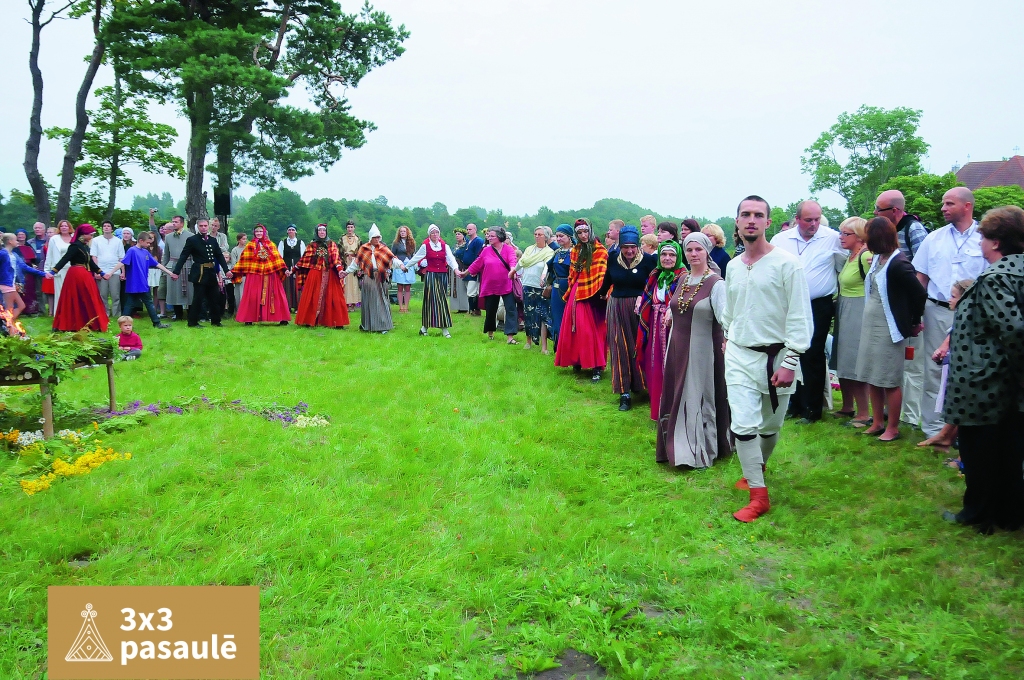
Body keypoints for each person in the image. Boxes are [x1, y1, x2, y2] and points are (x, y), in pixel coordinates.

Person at [722, 196, 812, 523]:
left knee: (770, 426)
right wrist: (729, 336)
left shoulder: (787, 264)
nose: (751, 220)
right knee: (743, 424)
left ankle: (756, 467)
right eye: (745, 214)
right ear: (737, 221)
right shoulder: (733, 266)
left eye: (758, 215)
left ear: (767, 223)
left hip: (779, 357)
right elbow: (729, 311)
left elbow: (801, 316)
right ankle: (759, 495)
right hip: (740, 355)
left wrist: (790, 362)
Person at [941, 205, 1024, 534]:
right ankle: (1009, 514)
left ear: (997, 242)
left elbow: (1014, 329)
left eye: (983, 238)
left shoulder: (996, 277)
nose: (979, 244)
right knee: (1008, 449)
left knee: (980, 451)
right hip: (1005, 384)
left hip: (986, 381)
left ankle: (977, 513)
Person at [912, 187, 988, 439]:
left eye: (949, 203)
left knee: (971, 369)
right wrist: (916, 312)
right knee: (935, 369)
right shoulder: (934, 238)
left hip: (976, 314)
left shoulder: (985, 238)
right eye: (943, 203)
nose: (943, 208)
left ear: (967, 206)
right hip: (938, 309)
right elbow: (920, 276)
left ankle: (964, 430)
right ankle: (933, 428)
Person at [657, 233, 730, 467]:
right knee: (677, 393)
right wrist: (671, 312)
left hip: (703, 349)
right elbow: (677, 304)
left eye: (698, 249)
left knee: (698, 395)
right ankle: (677, 445)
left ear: (707, 251)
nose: (693, 254)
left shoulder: (716, 283)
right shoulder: (683, 279)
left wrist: (728, 341)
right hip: (677, 346)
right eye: (689, 250)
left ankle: (698, 449)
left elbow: (726, 318)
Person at [854, 217, 927, 442]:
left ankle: (893, 427)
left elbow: (919, 294)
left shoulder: (899, 263)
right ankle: (877, 422)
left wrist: (913, 322)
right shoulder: (878, 259)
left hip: (888, 328)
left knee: (889, 379)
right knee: (873, 376)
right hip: (871, 325)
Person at [769, 200, 842, 424]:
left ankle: (813, 408)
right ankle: (794, 404)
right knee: (789, 351)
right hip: (787, 303)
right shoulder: (781, 240)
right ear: (797, 219)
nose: (813, 224)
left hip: (818, 303)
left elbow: (843, 266)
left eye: (817, 219)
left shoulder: (832, 238)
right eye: (808, 220)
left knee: (813, 353)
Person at [874, 189, 928, 427]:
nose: (875, 213)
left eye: (879, 209)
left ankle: (910, 415)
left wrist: (914, 313)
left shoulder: (912, 229)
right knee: (893, 365)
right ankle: (892, 411)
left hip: (908, 307)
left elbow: (923, 266)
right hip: (892, 308)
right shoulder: (888, 235)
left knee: (912, 365)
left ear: (895, 210)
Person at [601, 224, 656, 410]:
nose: (629, 251)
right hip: (616, 306)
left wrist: (644, 296)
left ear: (638, 246)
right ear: (621, 247)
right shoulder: (613, 258)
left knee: (641, 345)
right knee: (619, 347)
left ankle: (645, 386)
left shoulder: (648, 260)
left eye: (633, 247)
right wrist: (600, 295)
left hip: (642, 308)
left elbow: (653, 283)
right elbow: (607, 279)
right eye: (626, 247)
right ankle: (624, 392)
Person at [917, 278, 972, 454]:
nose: (949, 300)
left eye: (953, 297)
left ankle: (955, 446)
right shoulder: (961, 317)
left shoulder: (971, 319)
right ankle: (945, 436)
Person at [554, 218, 608, 381]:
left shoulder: (601, 250)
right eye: (580, 233)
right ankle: (577, 360)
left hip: (594, 293)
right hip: (577, 292)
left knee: (591, 330)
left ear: (590, 231)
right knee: (574, 328)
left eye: (586, 232)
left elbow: (601, 275)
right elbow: (573, 273)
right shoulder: (575, 250)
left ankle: (597, 365)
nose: (583, 235)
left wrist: (598, 292)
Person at [830, 217, 872, 426]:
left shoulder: (866, 256)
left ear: (859, 236)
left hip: (858, 309)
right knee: (843, 358)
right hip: (845, 307)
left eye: (845, 234)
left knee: (855, 360)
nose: (841, 237)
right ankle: (848, 406)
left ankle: (864, 413)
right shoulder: (850, 256)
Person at [637, 240, 684, 421]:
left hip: (674, 327)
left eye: (672, 255)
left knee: (672, 367)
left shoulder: (683, 277)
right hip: (655, 325)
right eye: (664, 254)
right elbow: (648, 298)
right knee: (654, 365)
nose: (667, 258)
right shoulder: (655, 275)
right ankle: (658, 411)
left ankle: (674, 413)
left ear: (678, 257)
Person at [458, 227, 519, 343]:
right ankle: (490, 333)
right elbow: (477, 263)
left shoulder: (508, 249)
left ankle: (510, 337)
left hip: (507, 284)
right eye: (488, 236)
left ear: (500, 237)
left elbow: (512, 260)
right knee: (491, 310)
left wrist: (512, 270)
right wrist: (465, 273)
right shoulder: (486, 251)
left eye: (492, 236)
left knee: (511, 309)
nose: (489, 238)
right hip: (490, 285)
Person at [49, 224, 109, 332]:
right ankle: (71, 324)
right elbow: (65, 259)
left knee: (88, 298)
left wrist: (101, 272)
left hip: (84, 274)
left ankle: (90, 323)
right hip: (76, 275)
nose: (91, 236)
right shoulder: (75, 246)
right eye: (90, 234)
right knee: (76, 298)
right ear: (84, 234)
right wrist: (53, 271)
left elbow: (89, 261)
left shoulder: (84, 246)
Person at [110, 230, 175, 329]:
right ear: (140, 240)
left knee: (145, 303)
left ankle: (156, 323)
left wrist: (169, 272)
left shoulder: (145, 252)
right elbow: (122, 262)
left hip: (143, 283)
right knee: (131, 305)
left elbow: (157, 264)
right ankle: (124, 324)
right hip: (134, 283)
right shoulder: (132, 251)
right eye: (147, 242)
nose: (149, 245)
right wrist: (110, 273)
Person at [171, 218, 229, 328]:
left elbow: (219, 256)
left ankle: (216, 321)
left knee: (214, 297)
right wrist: (176, 272)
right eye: (201, 226)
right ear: (198, 227)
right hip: (199, 273)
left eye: (205, 225)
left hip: (211, 272)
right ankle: (192, 322)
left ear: (208, 226)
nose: (203, 227)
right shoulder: (192, 240)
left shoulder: (212, 240)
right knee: (198, 298)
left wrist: (226, 270)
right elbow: (183, 256)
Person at [405, 224, 459, 337]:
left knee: (442, 300)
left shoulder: (445, 246)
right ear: (429, 235)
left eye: (437, 232)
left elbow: (450, 259)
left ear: (439, 234)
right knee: (432, 301)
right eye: (433, 233)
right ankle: (432, 328)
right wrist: (406, 266)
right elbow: (416, 257)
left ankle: (435, 328)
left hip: (443, 276)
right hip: (431, 275)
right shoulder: (426, 246)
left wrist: (456, 270)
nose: (435, 235)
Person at [231, 224, 291, 326]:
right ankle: (249, 318)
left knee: (276, 295)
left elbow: (277, 258)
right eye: (257, 232)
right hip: (255, 274)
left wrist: (284, 269)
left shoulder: (270, 244)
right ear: (254, 233)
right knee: (252, 295)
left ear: (264, 232)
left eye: (260, 231)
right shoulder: (250, 246)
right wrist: (234, 271)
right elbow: (243, 260)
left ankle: (282, 318)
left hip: (270, 273)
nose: (259, 233)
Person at [294, 223, 349, 329]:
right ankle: (310, 320)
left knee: (334, 297)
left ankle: (336, 321)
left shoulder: (331, 244)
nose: (322, 232)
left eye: (324, 230)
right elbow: (304, 260)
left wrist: (339, 269)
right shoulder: (311, 245)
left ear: (326, 232)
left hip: (330, 273)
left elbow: (335, 257)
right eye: (320, 231)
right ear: (317, 232)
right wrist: (292, 270)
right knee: (312, 296)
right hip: (315, 273)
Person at [344, 224, 394, 333]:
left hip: (380, 276)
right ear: (371, 238)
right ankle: (367, 325)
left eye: (378, 237)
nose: (377, 239)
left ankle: (383, 325)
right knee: (369, 301)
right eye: (375, 237)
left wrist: (403, 266)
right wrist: (346, 272)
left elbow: (392, 259)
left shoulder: (383, 248)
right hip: (368, 277)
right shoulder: (364, 248)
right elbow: (356, 263)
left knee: (381, 300)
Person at [516, 226, 554, 349]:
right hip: (527, 285)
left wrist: (543, 277)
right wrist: (513, 272)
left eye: (540, 234)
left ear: (546, 237)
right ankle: (528, 341)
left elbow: (547, 267)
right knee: (528, 314)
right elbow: (521, 262)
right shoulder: (529, 250)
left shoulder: (549, 252)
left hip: (540, 287)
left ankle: (544, 347)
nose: (537, 236)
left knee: (542, 315)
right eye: (535, 234)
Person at [0, 233, 51, 320]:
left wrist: (44, 274)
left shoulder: (14, 255)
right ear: (9, 242)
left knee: (21, 306)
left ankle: (7, 324)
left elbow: (25, 267)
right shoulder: (3, 254)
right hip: (5, 284)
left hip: (12, 284)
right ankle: (9, 328)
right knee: (9, 309)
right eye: (15, 240)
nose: (17, 242)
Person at [546, 225, 574, 351]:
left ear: (569, 236)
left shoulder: (575, 252)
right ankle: (559, 347)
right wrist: (548, 282)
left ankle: (570, 348)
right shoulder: (557, 252)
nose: (558, 239)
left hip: (570, 287)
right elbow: (551, 269)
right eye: (557, 236)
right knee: (557, 317)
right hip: (556, 289)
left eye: (561, 236)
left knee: (569, 318)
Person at [90, 221, 125, 318]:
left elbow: (121, 258)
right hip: (101, 271)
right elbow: (94, 256)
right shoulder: (96, 240)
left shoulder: (118, 241)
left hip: (115, 271)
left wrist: (123, 272)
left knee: (115, 295)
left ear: (112, 229)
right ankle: (104, 313)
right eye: (104, 226)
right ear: (102, 228)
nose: (106, 228)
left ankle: (116, 314)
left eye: (108, 226)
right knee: (102, 295)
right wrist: (97, 271)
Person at [162, 215, 193, 321]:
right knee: (174, 291)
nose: (173, 223)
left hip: (187, 265)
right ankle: (178, 314)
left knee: (190, 291)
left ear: (181, 223)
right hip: (173, 265)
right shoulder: (168, 237)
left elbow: (194, 253)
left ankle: (191, 314)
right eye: (172, 221)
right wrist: (164, 268)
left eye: (175, 222)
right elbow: (166, 254)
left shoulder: (190, 236)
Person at [43, 220, 74, 316]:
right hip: (59, 270)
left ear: (69, 227)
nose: (64, 227)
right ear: (59, 228)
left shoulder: (75, 238)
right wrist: (47, 270)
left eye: (66, 226)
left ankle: (72, 314)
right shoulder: (54, 239)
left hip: (73, 269)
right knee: (60, 293)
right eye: (62, 226)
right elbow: (50, 255)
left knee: (72, 293)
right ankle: (59, 315)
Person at [388, 225, 416, 313]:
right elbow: (392, 254)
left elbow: (413, 254)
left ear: (407, 233)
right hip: (399, 265)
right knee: (400, 287)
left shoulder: (412, 242)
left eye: (404, 231)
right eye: (401, 231)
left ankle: (406, 307)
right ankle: (401, 307)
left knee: (407, 287)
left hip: (409, 265)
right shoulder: (396, 243)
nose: (402, 233)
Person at [278, 225, 305, 312]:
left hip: (298, 268)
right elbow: (280, 256)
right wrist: (284, 269)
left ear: (296, 232)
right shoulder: (283, 242)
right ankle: (288, 306)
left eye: (293, 230)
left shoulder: (300, 242)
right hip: (286, 268)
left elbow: (303, 256)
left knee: (298, 286)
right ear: (287, 232)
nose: (291, 231)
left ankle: (298, 306)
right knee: (287, 287)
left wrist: (298, 267)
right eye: (289, 230)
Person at [462, 223, 485, 315]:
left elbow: (478, 256)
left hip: (473, 269)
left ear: (475, 230)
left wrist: (475, 270)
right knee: (469, 289)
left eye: (470, 229)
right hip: (467, 268)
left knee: (472, 291)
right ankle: (472, 309)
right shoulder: (468, 241)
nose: (468, 231)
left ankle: (475, 310)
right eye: (467, 229)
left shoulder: (478, 241)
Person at [340, 220, 361, 310]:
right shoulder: (342, 238)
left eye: (351, 227)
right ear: (346, 228)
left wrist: (356, 258)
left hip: (355, 262)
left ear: (354, 228)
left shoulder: (357, 238)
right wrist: (345, 255)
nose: (350, 229)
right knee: (346, 282)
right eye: (348, 227)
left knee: (354, 283)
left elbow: (361, 251)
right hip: (345, 262)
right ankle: (345, 302)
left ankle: (353, 303)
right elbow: (339, 250)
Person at [450, 228, 471, 313]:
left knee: (462, 287)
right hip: (454, 267)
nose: (457, 236)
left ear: (463, 236)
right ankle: (457, 306)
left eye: (459, 234)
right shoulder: (455, 246)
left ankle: (464, 307)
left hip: (462, 267)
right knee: (455, 287)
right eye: (456, 234)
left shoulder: (466, 246)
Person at [28, 222, 47, 314]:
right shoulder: (30, 242)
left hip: (48, 269)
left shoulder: (51, 240)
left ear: (44, 229)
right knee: (38, 291)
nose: (37, 229)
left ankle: (54, 310)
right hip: (36, 269)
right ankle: (41, 310)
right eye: (35, 228)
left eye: (39, 228)